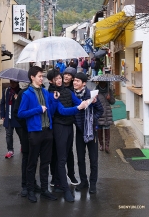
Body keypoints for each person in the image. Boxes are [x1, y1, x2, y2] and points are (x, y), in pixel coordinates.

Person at [18, 66, 86, 203]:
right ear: (32, 77)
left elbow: (53, 110)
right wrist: (37, 109)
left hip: (47, 131)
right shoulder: (27, 94)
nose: (41, 78)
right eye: (39, 76)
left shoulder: (45, 91)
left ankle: (44, 190)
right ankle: (30, 189)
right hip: (35, 132)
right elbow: (21, 113)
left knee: (45, 163)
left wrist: (55, 100)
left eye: (42, 76)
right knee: (32, 163)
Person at [47, 69, 86, 202]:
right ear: (51, 81)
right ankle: (65, 189)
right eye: (56, 79)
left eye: (60, 77)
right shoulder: (52, 94)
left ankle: (60, 182)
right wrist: (78, 108)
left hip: (69, 127)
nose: (59, 80)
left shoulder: (67, 91)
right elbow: (62, 111)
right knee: (61, 158)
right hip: (59, 127)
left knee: (65, 155)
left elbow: (77, 101)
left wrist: (88, 100)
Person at [73, 72, 104, 194]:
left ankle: (93, 183)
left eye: (77, 81)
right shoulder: (73, 96)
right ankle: (83, 181)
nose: (75, 82)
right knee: (80, 158)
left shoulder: (91, 95)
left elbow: (100, 110)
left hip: (91, 132)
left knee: (93, 159)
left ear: (84, 83)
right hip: (80, 132)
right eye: (74, 80)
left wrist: (92, 120)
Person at [14, 86, 41, 197]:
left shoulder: (41, 91)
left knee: (34, 157)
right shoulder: (23, 93)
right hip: (25, 130)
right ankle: (25, 184)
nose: (41, 78)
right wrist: (26, 126)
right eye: (39, 76)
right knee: (26, 157)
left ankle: (33, 182)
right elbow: (17, 113)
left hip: (37, 130)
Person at [0, 80, 22, 159]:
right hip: (8, 117)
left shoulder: (21, 92)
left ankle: (23, 145)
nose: (12, 84)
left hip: (17, 117)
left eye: (14, 82)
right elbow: (2, 103)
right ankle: (10, 150)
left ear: (17, 82)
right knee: (8, 135)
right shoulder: (6, 91)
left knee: (21, 134)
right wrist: (2, 114)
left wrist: (17, 99)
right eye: (11, 82)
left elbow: (23, 105)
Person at [96, 81, 115, 153]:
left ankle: (107, 145)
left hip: (107, 113)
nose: (103, 83)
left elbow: (113, 102)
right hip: (99, 113)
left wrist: (109, 99)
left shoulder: (109, 90)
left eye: (104, 82)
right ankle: (101, 144)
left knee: (107, 129)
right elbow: (92, 102)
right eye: (101, 82)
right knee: (99, 130)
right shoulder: (96, 90)